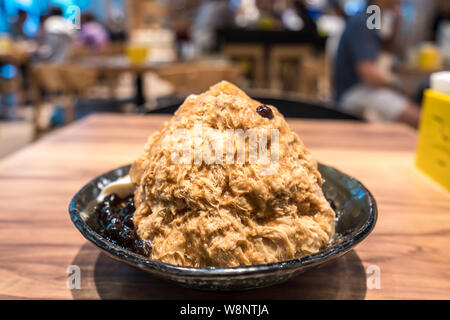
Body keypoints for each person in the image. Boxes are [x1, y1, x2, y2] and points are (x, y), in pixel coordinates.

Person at [333, 0, 420, 128]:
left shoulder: (373, 18)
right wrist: (396, 87)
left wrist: (397, 22)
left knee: (405, 104)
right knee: (415, 116)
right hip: (353, 92)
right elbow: (368, 73)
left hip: (364, 88)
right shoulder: (363, 21)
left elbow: (385, 50)